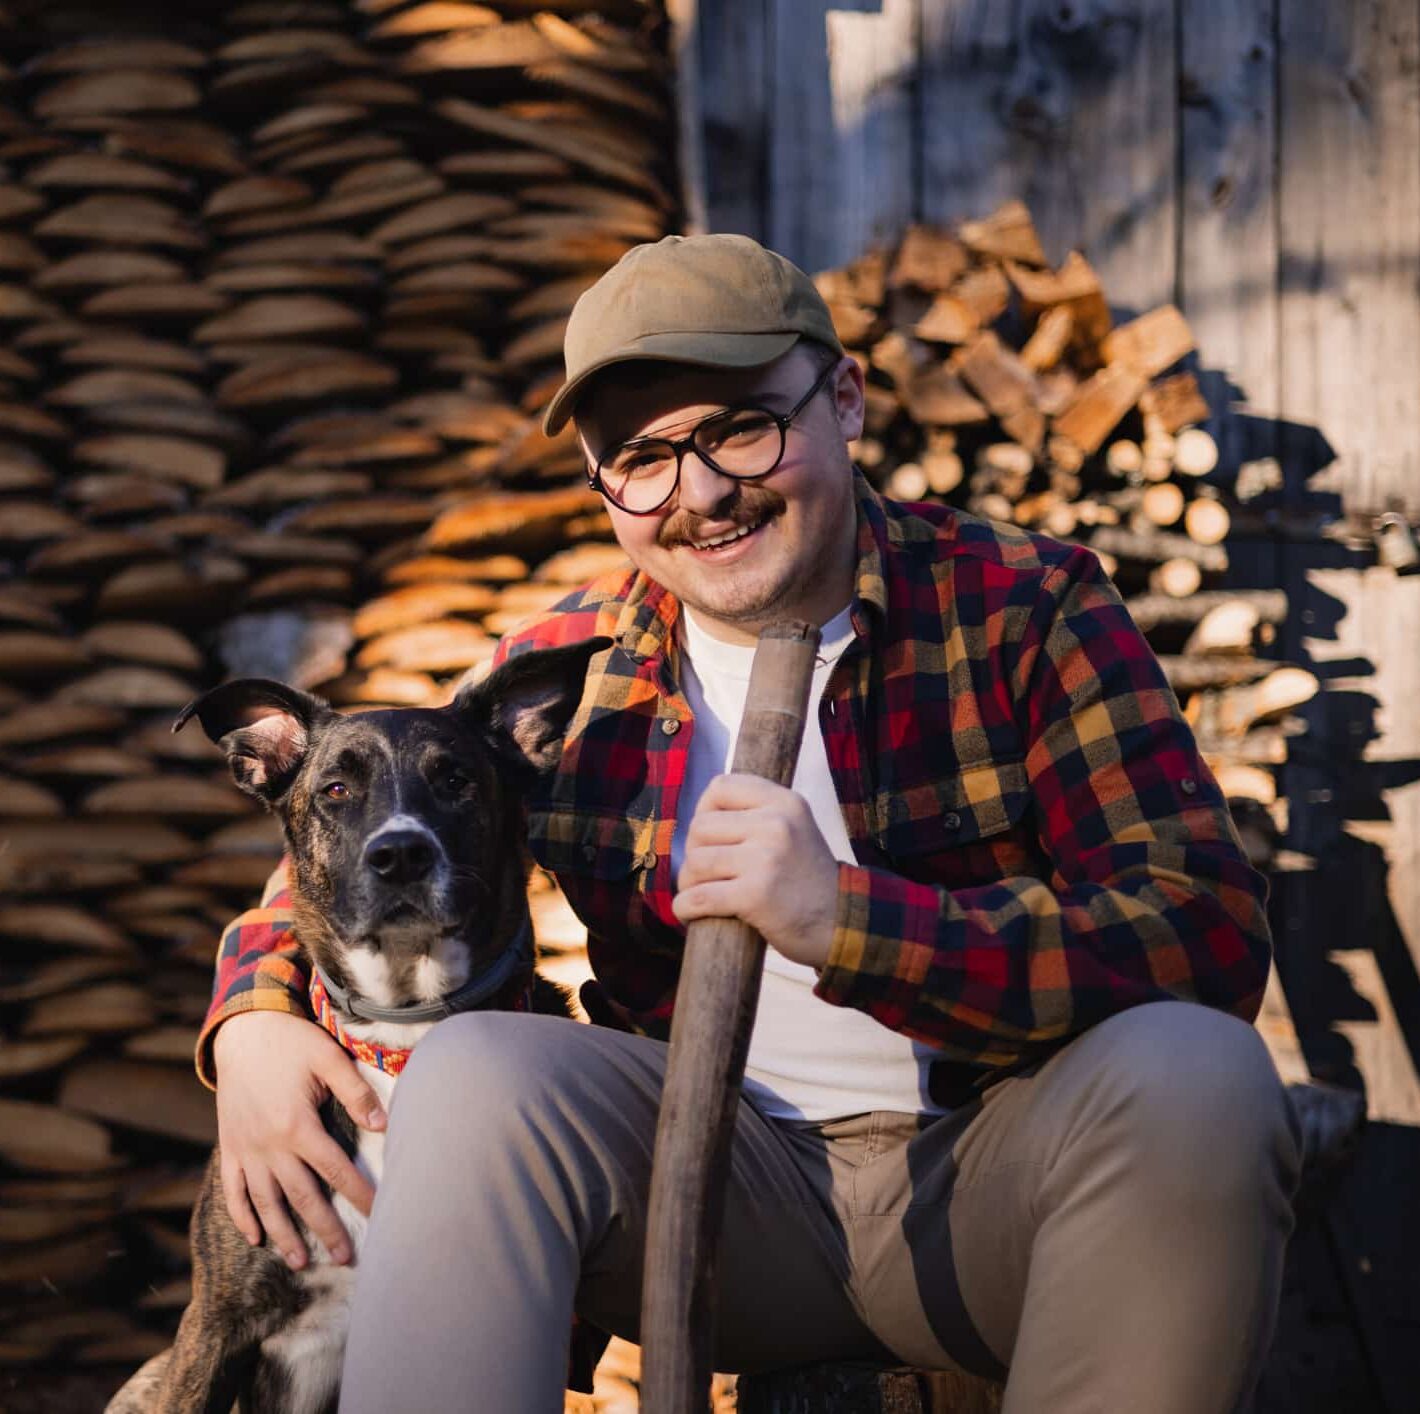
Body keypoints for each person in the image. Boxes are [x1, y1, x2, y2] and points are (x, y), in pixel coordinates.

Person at [198, 233, 1302, 1413]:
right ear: (600, 482)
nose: (702, 493)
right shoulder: (574, 676)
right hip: (719, 1192)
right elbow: (350, 852)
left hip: (997, 1187)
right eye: (642, 458)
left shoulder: (1025, 607)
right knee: (475, 1071)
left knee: (1202, 1072)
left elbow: (1203, 930)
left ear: (844, 399)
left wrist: (851, 920)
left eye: (738, 427)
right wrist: (251, 1023)